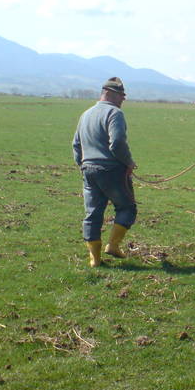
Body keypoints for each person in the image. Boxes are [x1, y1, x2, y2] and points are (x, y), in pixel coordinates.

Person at [72, 77, 137, 267]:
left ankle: (95, 259)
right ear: (110, 93)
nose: (123, 99)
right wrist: (129, 162)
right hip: (111, 170)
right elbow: (117, 143)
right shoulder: (114, 113)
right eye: (121, 95)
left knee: (92, 213)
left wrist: (82, 166)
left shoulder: (85, 114)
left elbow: (76, 145)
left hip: (88, 170)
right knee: (127, 208)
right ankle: (113, 246)